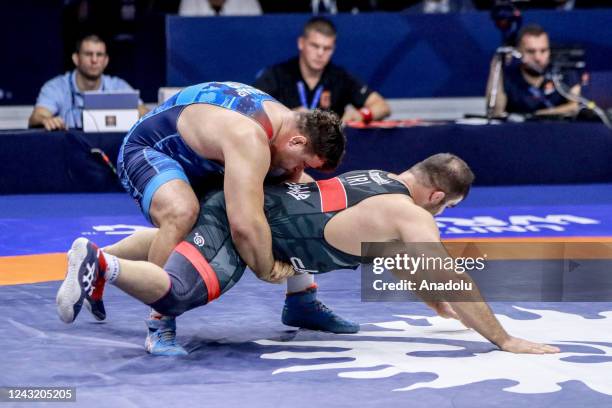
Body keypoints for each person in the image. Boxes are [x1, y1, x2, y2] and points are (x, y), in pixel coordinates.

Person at [57, 153, 560, 356]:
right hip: (242, 225)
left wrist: (427, 295)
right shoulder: (414, 217)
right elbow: (452, 278)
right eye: (446, 210)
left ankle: (95, 255)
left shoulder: (383, 181)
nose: (440, 218)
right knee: (180, 293)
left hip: (259, 207)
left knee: (292, 253)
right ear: (435, 198)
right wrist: (504, 338)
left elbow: (396, 252)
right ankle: (103, 265)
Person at [116, 81, 355, 335]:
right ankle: (159, 321)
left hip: (200, 156)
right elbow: (243, 226)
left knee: (303, 194)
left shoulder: (289, 125)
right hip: (148, 148)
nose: (299, 172)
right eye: (302, 163)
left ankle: (302, 300)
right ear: (296, 142)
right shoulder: (250, 137)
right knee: (181, 212)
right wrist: (267, 268)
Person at [253, 17, 391, 124]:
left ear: (333, 49)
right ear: (301, 43)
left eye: (327, 48)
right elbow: (249, 108)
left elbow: (382, 107)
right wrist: (286, 116)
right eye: (315, 46)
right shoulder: (277, 74)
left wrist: (361, 115)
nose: (320, 53)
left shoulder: (339, 77)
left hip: (329, 152)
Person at [28, 34, 148, 131]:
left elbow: (146, 115)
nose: (94, 60)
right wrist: (46, 120)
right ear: (76, 59)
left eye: (99, 55)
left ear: (106, 61)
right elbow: (36, 117)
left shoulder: (118, 86)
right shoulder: (56, 87)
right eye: (88, 54)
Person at [485, 24, 581, 117]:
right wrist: (496, 67)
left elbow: (574, 107)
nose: (538, 58)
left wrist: (536, 116)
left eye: (543, 51)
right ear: (518, 52)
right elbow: (495, 112)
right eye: (531, 51)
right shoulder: (509, 76)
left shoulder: (562, 72)